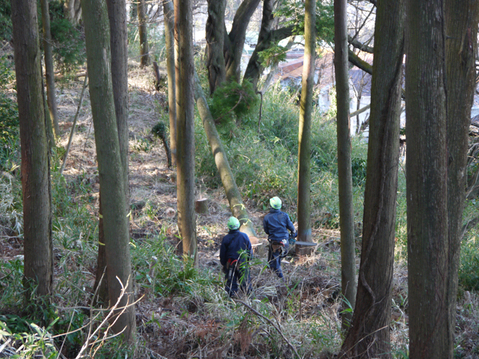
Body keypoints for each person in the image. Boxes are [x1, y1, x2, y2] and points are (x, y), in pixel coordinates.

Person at [263, 196, 295, 279]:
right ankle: (276, 274)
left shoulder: (267, 217)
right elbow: (291, 227)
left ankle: (280, 278)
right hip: (284, 241)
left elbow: (266, 231)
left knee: (275, 258)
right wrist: (293, 232)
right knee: (275, 257)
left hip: (274, 241)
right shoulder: (284, 215)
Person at [220, 216, 253, 297]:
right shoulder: (244, 236)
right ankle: (250, 300)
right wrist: (248, 261)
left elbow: (222, 254)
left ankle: (231, 301)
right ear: (238, 225)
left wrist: (224, 264)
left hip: (230, 264)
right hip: (242, 264)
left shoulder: (226, 238)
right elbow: (249, 250)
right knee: (246, 284)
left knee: (231, 285)